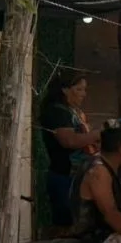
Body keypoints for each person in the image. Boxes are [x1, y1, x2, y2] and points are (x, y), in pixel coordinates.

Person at [39, 69, 99, 231]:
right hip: (65, 176)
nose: (83, 94)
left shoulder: (75, 112)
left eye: (84, 89)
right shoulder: (57, 112)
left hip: (79, 176)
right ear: (64, 90)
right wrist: (97, 134)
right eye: (79, 89)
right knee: (66, 226)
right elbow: (69, 141)